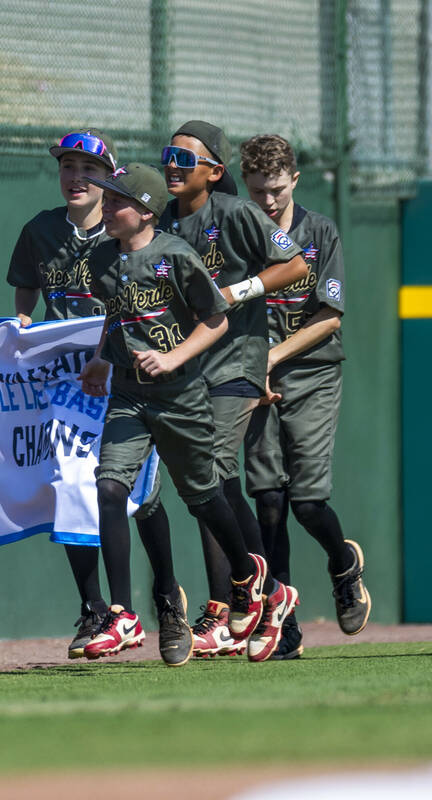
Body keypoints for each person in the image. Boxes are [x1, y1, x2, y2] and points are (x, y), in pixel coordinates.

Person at [78, 163, 273, 667]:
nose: (106, 207)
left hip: (180, 397)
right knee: (109, 486)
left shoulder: (175, 255)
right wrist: (102, 356)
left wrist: (172, 357)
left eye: (116, 200)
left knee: (203, 497)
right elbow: (115, 316)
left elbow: (216, 319)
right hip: (127, 394)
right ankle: (120, 611)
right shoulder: (101, 258)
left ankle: (246, 574)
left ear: (144, 211)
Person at [7, 129, 176, 661]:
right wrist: (23, 320)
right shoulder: (39, 229)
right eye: (67, 168)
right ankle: (95, 607)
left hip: (124, 373)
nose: (76, 177)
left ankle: (166, 597)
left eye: (88, 169)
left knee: (141, 497)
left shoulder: (124, 232)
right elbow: (26, 292)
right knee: (72, 485)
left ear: (110, 176)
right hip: (67, 382)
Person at [157, 121, 309, 661]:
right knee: (208, 481)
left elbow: (297, 265)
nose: (172, 164)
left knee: (214, 468)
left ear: (214, 171)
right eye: (168, 154)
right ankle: (263, 597)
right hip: (187, 371)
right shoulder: (160, 222)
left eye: (185, 157)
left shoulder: (238, 214)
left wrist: (235, 291)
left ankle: (236, 598)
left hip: (237, 364)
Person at [239, 134, 370, 658]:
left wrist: (274, 355)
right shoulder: (240, 233)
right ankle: (283, 623)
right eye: (257, 191)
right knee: (269, 502)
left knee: (309, 503)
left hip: (311, 374)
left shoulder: (320, 232)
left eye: (275, 189)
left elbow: (330, 317)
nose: (268, 202)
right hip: (254, 377)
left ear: (293, 179)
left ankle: (343, 564)